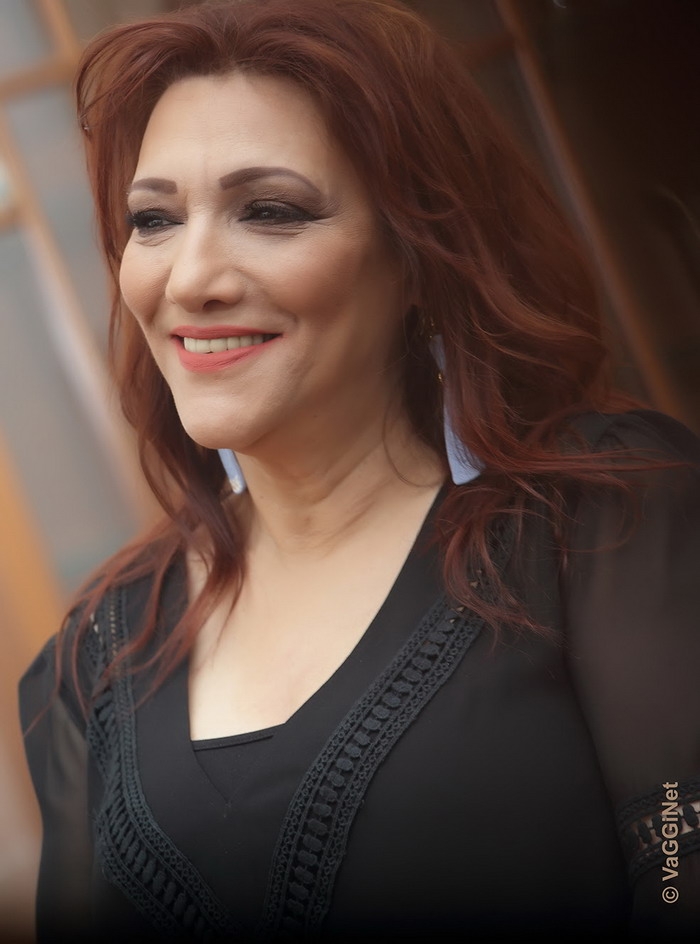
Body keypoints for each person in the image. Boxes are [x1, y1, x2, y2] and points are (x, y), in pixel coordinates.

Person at [18, 0, 700, 940]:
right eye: (154, 219)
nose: (190, 278)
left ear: (418, 252)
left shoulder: (604, 517)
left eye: (270, 211)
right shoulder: (94, 654)